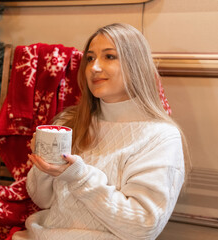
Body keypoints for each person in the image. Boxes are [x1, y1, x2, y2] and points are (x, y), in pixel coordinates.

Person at [12, 23, 188, 240]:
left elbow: (143, 227)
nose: (94, 68)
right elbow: (43, 200)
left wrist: (79, 176)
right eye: (90, 58)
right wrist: (44, 162)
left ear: (136, 65)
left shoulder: (161, 137)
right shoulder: (70, 122)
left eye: (109, 57)